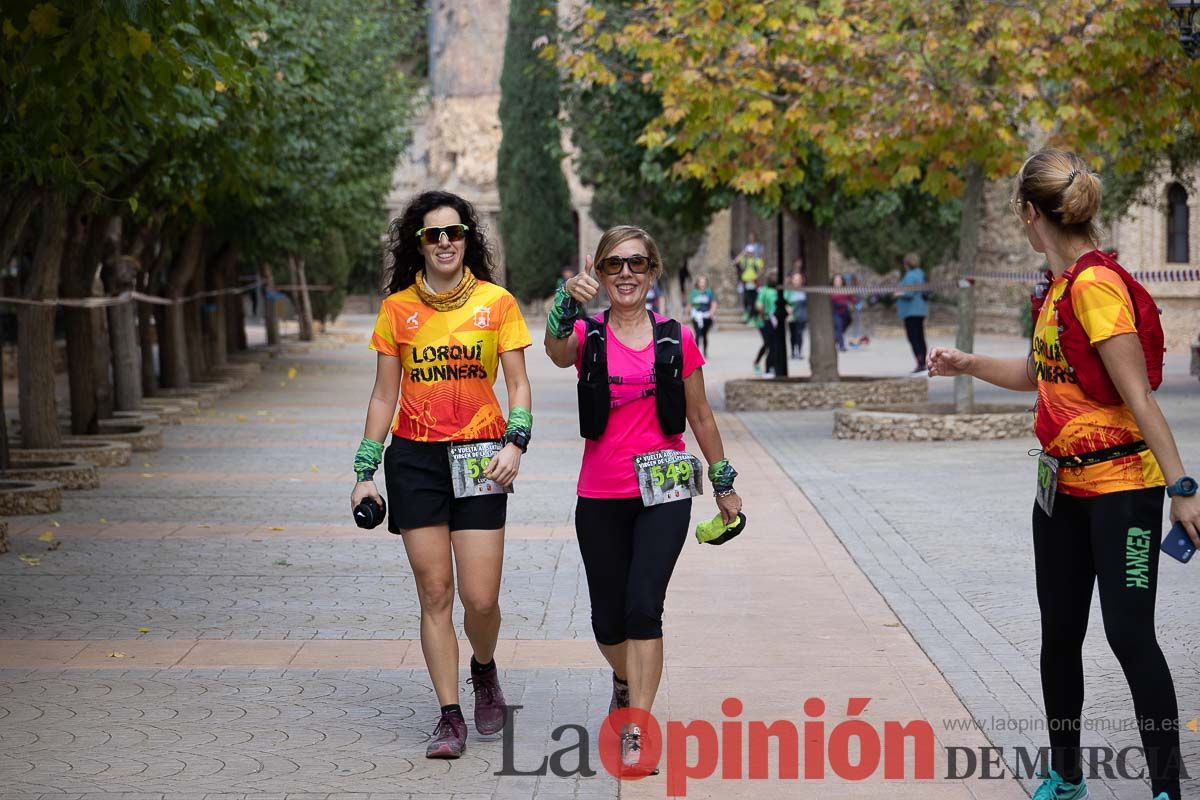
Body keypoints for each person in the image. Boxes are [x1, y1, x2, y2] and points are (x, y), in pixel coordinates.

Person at [927, 149, 1199, 800]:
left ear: (1029, 213)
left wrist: (1182, 488)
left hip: (1122, 491)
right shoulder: (1057, 288)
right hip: (1061, 492)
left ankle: (1167, 788)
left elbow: (1138, 396)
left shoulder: (1095, 287)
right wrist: (964, 363)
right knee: (1060, 635)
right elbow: (1035, 375)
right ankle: (1067, 774)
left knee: (1129, 635)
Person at [543, 225, 744, 773]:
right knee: (608, 623)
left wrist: (723, 483)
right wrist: (564, 299)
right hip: (600, 493)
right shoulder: (589, 337)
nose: (625, 273)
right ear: (601, 274)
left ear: (653, 271)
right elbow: (555, 351)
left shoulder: (677, 339)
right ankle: (625, 676)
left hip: (666, 491)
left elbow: (700, 416)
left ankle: (638, 728)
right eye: (614, 265)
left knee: (642, 608)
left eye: (636, 263)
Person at [351, 190, 533, 760]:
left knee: (480, 599)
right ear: (419, 244)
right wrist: (364, 469)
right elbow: (384, 396)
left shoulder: (497, 303)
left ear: (467, 238)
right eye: (433, 234)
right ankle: (449, 715)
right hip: (416, 460)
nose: (446, 242)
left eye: (454, 232)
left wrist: (516, 441)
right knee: (435, 592)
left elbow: (519, 385)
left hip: (483, 455)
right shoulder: (396, 310)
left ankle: (484, 666)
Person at [896, 252, 929, 373]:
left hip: (911, 311)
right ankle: (924, 362)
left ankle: (920, 364)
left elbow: (908, 292)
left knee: (913, 338)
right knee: (920, 337)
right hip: (921, 310)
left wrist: (898, 293)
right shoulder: (921, 274)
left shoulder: (910, 276)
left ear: (906, 264)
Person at [753, 275, 783, 377]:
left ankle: (765, 365)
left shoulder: (775, 291)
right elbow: (759, 306)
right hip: (765, 322)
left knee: (769, 344)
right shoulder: (765, 291)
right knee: (770, 344)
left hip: (771, 321)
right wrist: (763, 317)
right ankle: (767, 368)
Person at [687, 274, 716, 357]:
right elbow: (689, 304)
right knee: (697, 333)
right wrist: (687, 314)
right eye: (701, 282)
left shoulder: (709, 292)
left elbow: (713, 303)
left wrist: (712, 312)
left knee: (704, 334)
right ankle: (696, 353)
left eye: (704, 282)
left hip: (706, 316)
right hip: (696, 315)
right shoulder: (693, 292)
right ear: (698, 283)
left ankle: (705, 351)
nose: (702, 284)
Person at [785, 270, 808, 359]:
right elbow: (785, 301)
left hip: (801, 316)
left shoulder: (804, 291)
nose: (797, 281)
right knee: (792, 335)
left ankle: (799, 351)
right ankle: (793, 351)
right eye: (795, 279)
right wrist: (788, 308)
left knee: (799, 334)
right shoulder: (789, 290)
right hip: (792, 316)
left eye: (798, 279)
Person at [830, 274, 854, 353]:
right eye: (836, 280)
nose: (838, 282)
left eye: (839, 280)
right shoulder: (830, 290)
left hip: (845, 312)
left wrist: (852, 303)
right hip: (836, 312)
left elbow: (852, 300)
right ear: (833, 282)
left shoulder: (846, 290)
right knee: (839, 327)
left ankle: (835, 339)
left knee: (842, 328)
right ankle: (841, 345)